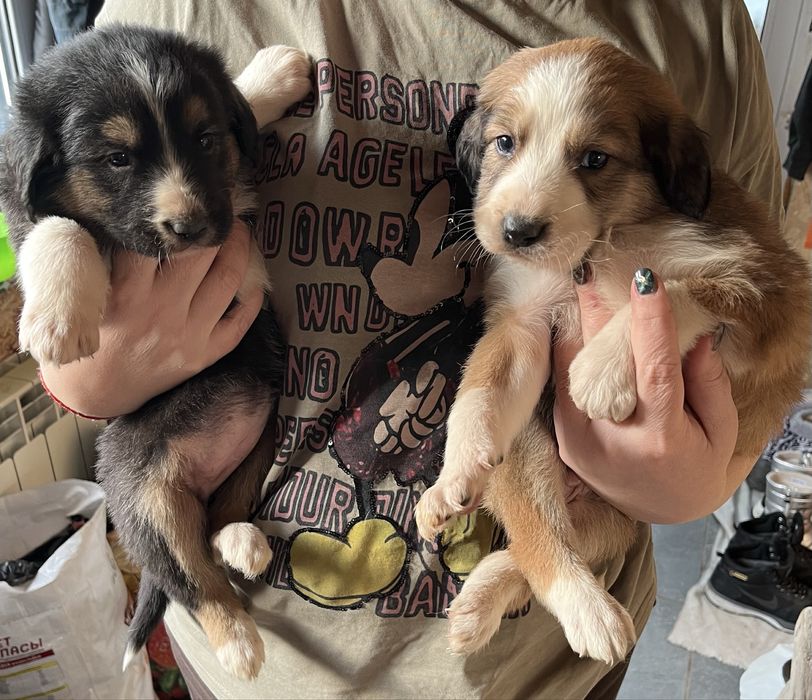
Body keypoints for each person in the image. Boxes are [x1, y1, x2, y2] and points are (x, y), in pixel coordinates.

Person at [40, 1, 781, 697]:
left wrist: (690, 487)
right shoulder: (178, 15)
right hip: (263, 661)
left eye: (594, 159)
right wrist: (95, 377)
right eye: (503, 144)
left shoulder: (695, 24)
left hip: (546, 666)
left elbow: (753, 295)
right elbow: (62, 263)